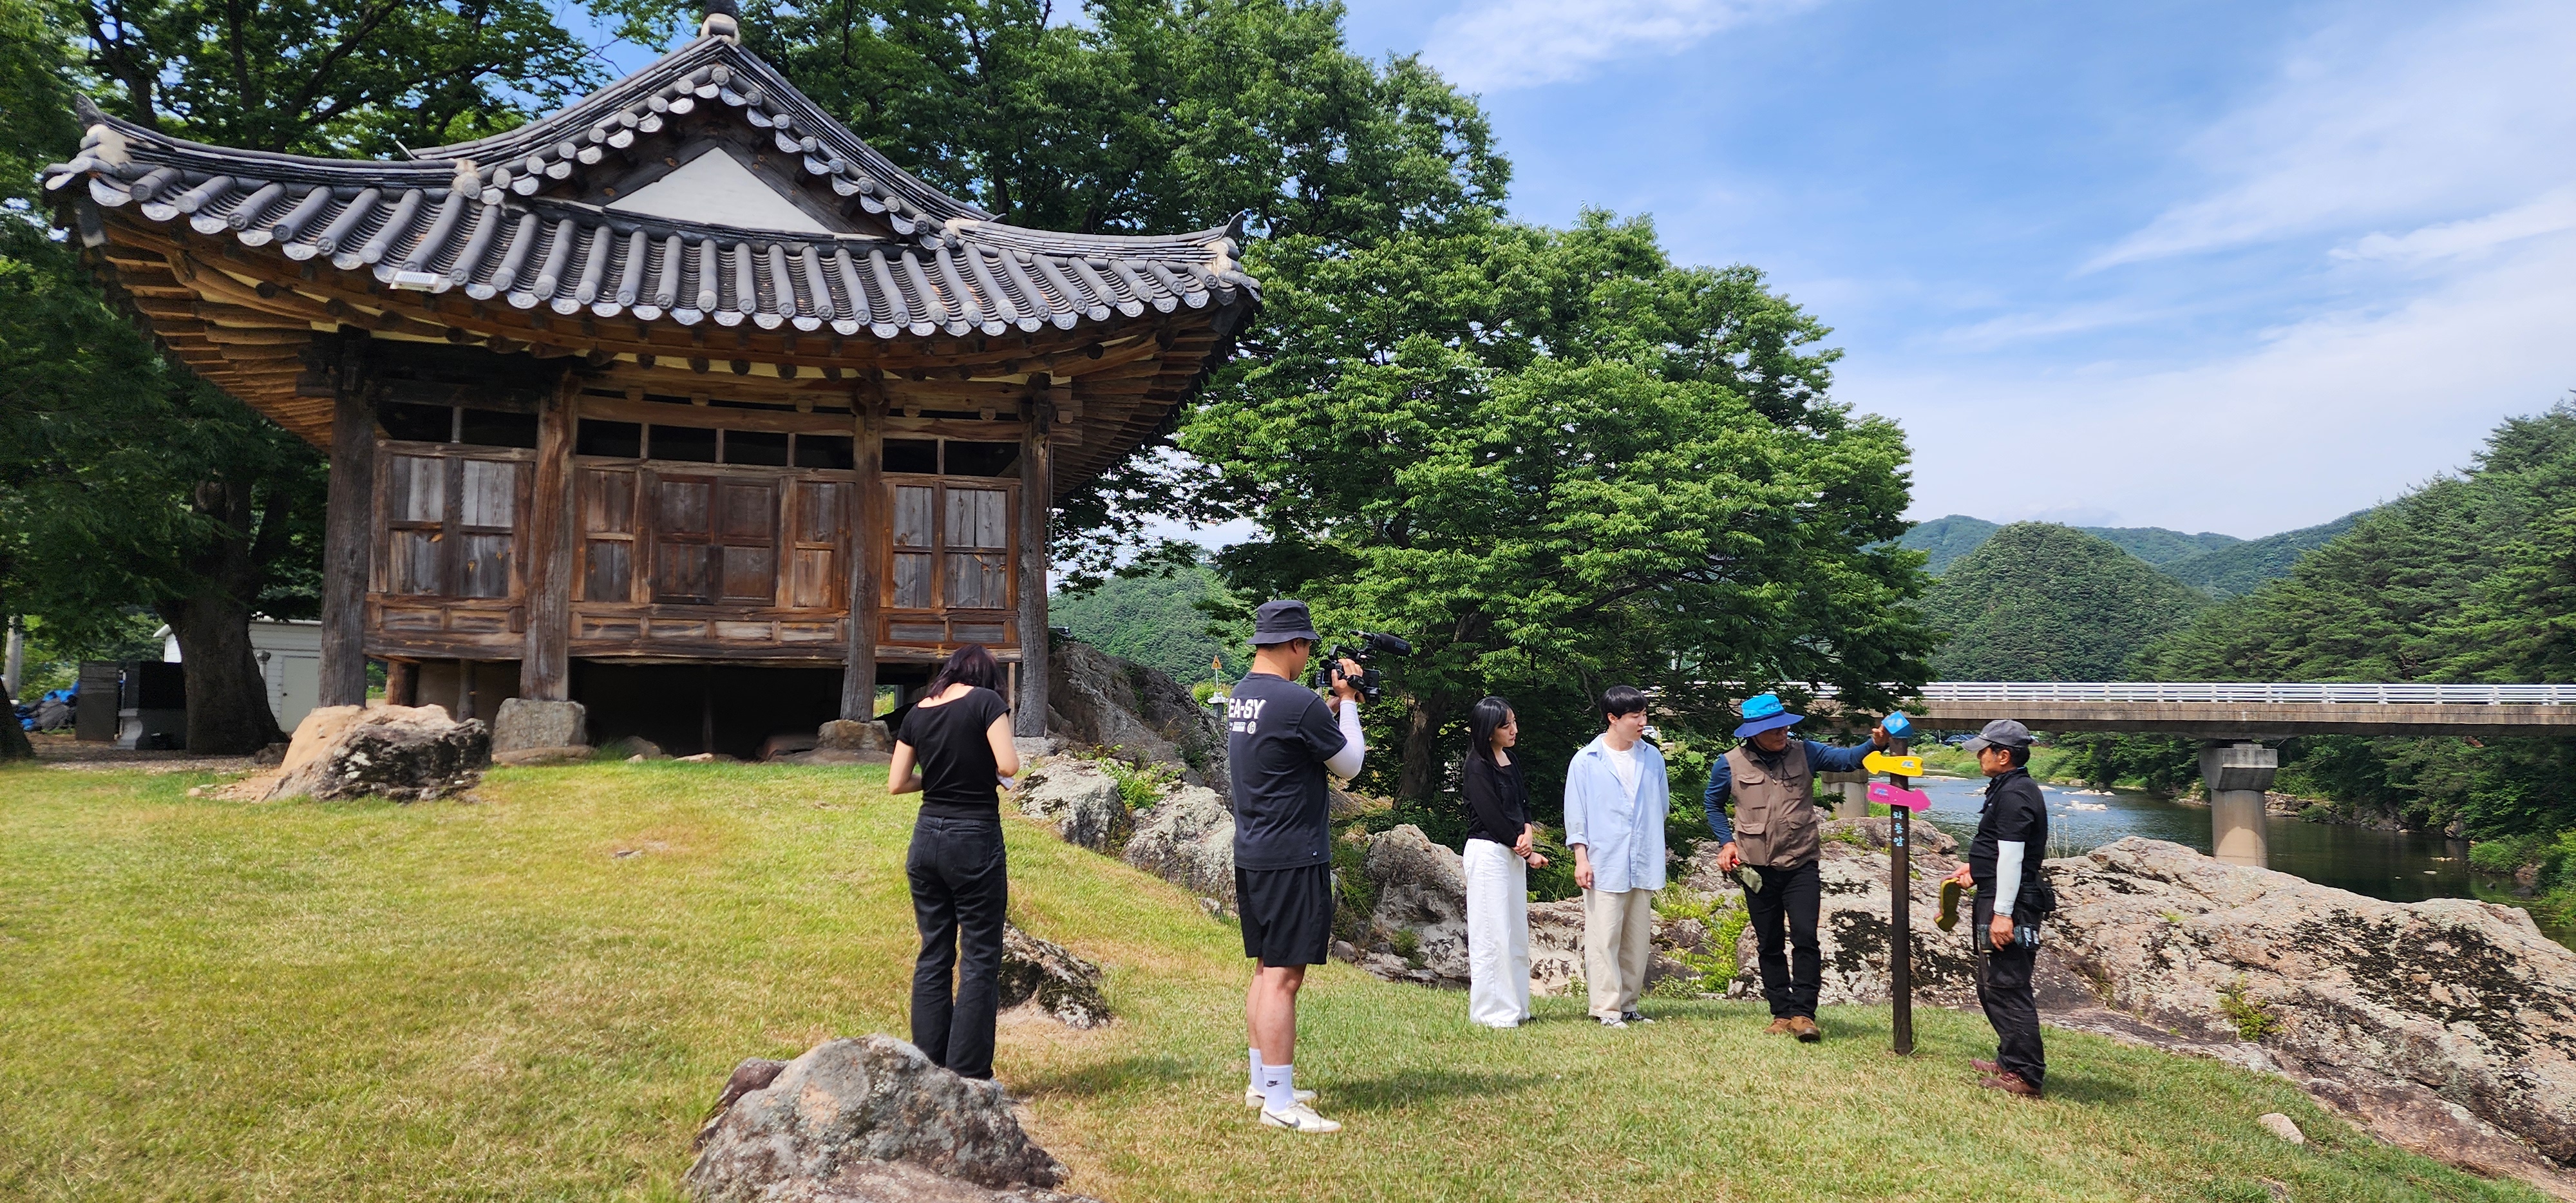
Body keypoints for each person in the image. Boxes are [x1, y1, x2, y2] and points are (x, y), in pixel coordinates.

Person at [1226, 600, 1365, 1133]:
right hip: (1294, 853)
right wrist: (1347, 703)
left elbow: (1287, 741)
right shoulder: (1298, 700)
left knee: (1266, 967)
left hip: (1255, 848)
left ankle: (1263, 1081)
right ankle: (1280, 1104)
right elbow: (1349, 766)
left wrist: (1327, 708)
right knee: (1286, 976)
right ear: (1296, 646)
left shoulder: (1243, 695)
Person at [1701, 692, 1891, 1042]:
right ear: (1752, 732)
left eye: (1784, 727)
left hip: (1801, 862)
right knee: (1769, 942)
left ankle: (1804, 1013)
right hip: (1755, 868)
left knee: (1806, 937)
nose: (1781, 734)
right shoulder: (1728, 763)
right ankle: (1781, 1013)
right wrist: (1726, 842)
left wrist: (1874, 743)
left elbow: (1849, 760)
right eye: (1773, 729)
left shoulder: (1807, 752)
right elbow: (1712, 805)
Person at [886, 644, 1021, 1081]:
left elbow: (897, 783)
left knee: (934, 952)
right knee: (980, 956)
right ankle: (968, 1073)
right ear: (986, 677)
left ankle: (927, 1064)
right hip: (974, 837)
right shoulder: (986, 703)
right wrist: (980, 773)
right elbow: (1009, 764)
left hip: (926, 840)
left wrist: (941, 775)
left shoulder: (916, 712)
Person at [1942, 719, 2049, 1098]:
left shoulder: (2015, 794)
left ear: (2004, 756)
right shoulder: (2008, 787)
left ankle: (2026, 1074)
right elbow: (2000, 852)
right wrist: (1977, 867)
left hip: (2012, 905)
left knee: (2008, 986)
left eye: (1984, 751)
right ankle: (2010, 1060)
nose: (1978, 757)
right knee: (1992, 985)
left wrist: (2002, 914)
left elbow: (2014, 856)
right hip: (1997, 896)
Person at [1562, 685, 1671, 1028]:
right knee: (1603, 937)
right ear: (1613, 718)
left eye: (1644, 715)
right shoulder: (1586, 760)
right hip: (1603, 860)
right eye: (1635, 716)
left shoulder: (1652, 757)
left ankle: (1628, 1005)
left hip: (1642, 859)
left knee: (1637, 939)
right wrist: (1582, 858)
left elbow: (1662, 807)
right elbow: (1575, 815)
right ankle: (1605, 1009)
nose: (1643, 722)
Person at [1462, 695, 1548, 1029]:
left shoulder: (1509, 759)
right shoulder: (1476, 766)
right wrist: (1523, 847)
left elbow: (1522, 805)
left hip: (1512, 852)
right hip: (1488, 854)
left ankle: (1517, 1007)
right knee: (1491, 933)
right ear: (1488, 731)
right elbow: (1491, 816)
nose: (1514, 729)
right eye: (1505, 725)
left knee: (1514, 933)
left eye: (1513, 721)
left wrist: (1528, 832)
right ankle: (1492, 1013)